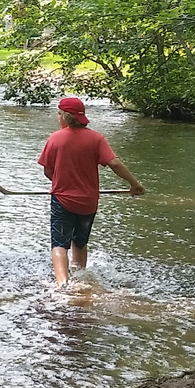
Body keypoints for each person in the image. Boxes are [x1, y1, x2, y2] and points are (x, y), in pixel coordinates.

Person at [38, 97, 145, 286]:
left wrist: (60, 183)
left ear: (62, 115)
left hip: (63, 200)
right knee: (80, 242)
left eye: (58, 113)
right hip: (89, 202)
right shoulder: (96, 138)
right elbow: (114, 163)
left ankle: (63, 285)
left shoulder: (56, 138)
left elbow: (47, 170)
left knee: (59, 244)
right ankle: (80, 278)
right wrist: (134, 184)